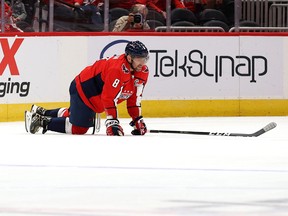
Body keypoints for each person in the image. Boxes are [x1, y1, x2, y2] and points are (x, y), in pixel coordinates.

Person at [25, 40, 150, 136]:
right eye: (139, 59)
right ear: (129, 58)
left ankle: (42, 112)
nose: (142, 63)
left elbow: (134, 98)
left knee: (75, 113)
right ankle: (40, 121)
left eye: (145, 59)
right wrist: (112, 122)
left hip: (94, 97)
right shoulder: (117, 69)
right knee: (79, 128)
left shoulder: (143, 71)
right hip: (83, 89)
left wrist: (137, 119)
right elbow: (108, 97)